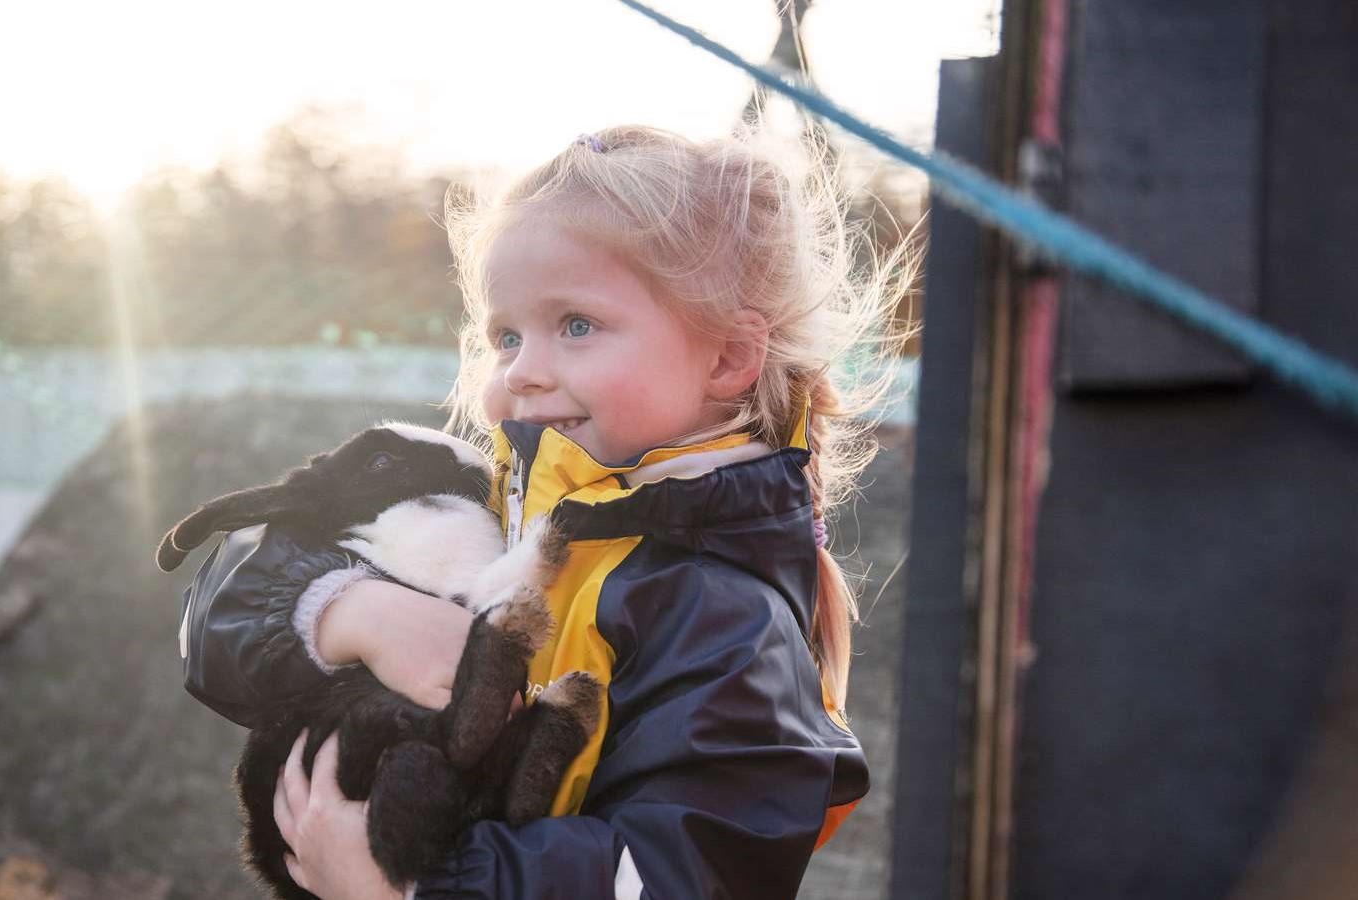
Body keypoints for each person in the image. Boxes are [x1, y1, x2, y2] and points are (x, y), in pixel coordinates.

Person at [179, 123, 916, 899]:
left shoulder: (721, 617)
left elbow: (683, 877)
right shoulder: (483, 506)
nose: (523, 371)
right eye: (505, 335)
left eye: (576, 326)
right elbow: (209, 618)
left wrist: (414, 886)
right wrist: (353, 610)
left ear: (729, 358)